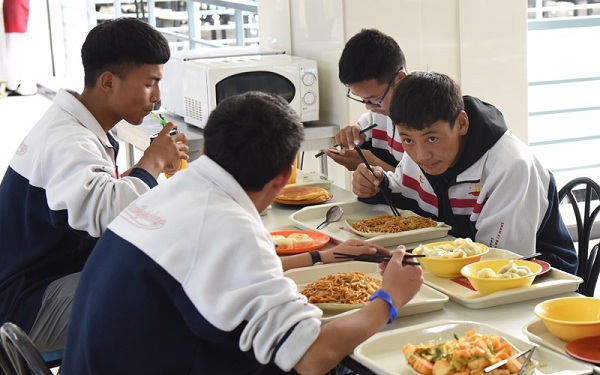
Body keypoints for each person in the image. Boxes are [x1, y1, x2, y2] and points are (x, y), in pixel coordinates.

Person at [61, 91, 423, 374]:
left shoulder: (178, 190)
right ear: (284, 177)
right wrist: (390, 297)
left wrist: (319, 257)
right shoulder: (229, 225)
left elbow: (210, 274)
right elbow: (312, 357)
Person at [0, 17, 189, 352]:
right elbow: (106, 216)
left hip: (46, 281)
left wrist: (147, 167)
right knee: (167, 300)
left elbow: (97, 195)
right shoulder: (68, 139)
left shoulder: (73, 125)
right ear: (108, 82)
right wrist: (154, 160)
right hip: (29, 304)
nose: (157, 98)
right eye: (150, 84)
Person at [352, 71, 578, 274]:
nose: (421, 155)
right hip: (461, 273)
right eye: (407, 139)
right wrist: (376, 184)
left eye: (432, 138)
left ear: (461, 123)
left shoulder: (510, 166)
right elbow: (404, 197)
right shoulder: (423, 152)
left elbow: (501, 262)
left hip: (540, 278)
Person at [321, 29, 406, 172]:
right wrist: (355, 140)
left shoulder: (427, 118)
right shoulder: (377, 116)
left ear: (400, 79)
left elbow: (426, 189)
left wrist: (372, 165)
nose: (369, 107)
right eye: (363, 100)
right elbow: (360, 135)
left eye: (374, 99)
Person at [1, 0, 37, 96]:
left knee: (15, 48)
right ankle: (13, 83)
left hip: (16, 8)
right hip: (13, 7)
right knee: (12, 48)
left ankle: (26, 86)